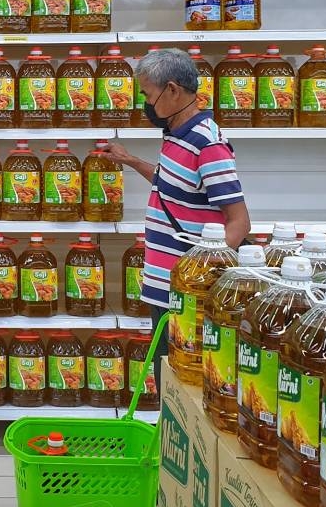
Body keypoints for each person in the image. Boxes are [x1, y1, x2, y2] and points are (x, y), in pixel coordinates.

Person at [105, 48, 251, 376]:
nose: (145, 104)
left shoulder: (207, 144)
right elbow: (172, 185)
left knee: (180, 383)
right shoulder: (177, 135)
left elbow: (239, 221)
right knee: (166, 380)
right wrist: (130, 161)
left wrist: (197, 279)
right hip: (166, 287)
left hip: (186, 296)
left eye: (147, 94)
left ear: (172, 90)